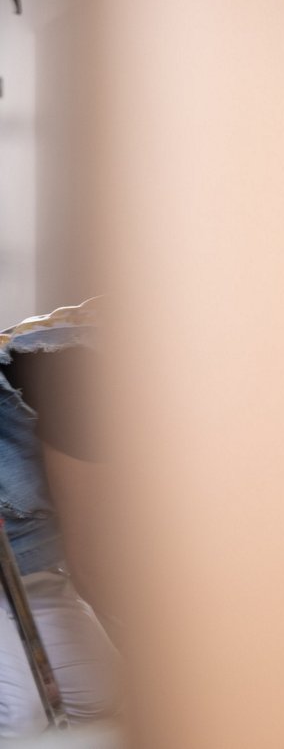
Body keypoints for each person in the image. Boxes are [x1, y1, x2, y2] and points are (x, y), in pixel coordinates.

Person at [0, 300, 119, 737]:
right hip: (14, 552)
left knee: (98, 695)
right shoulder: (80, 369)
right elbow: (92, 564)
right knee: (18, 712)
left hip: (24, 560)